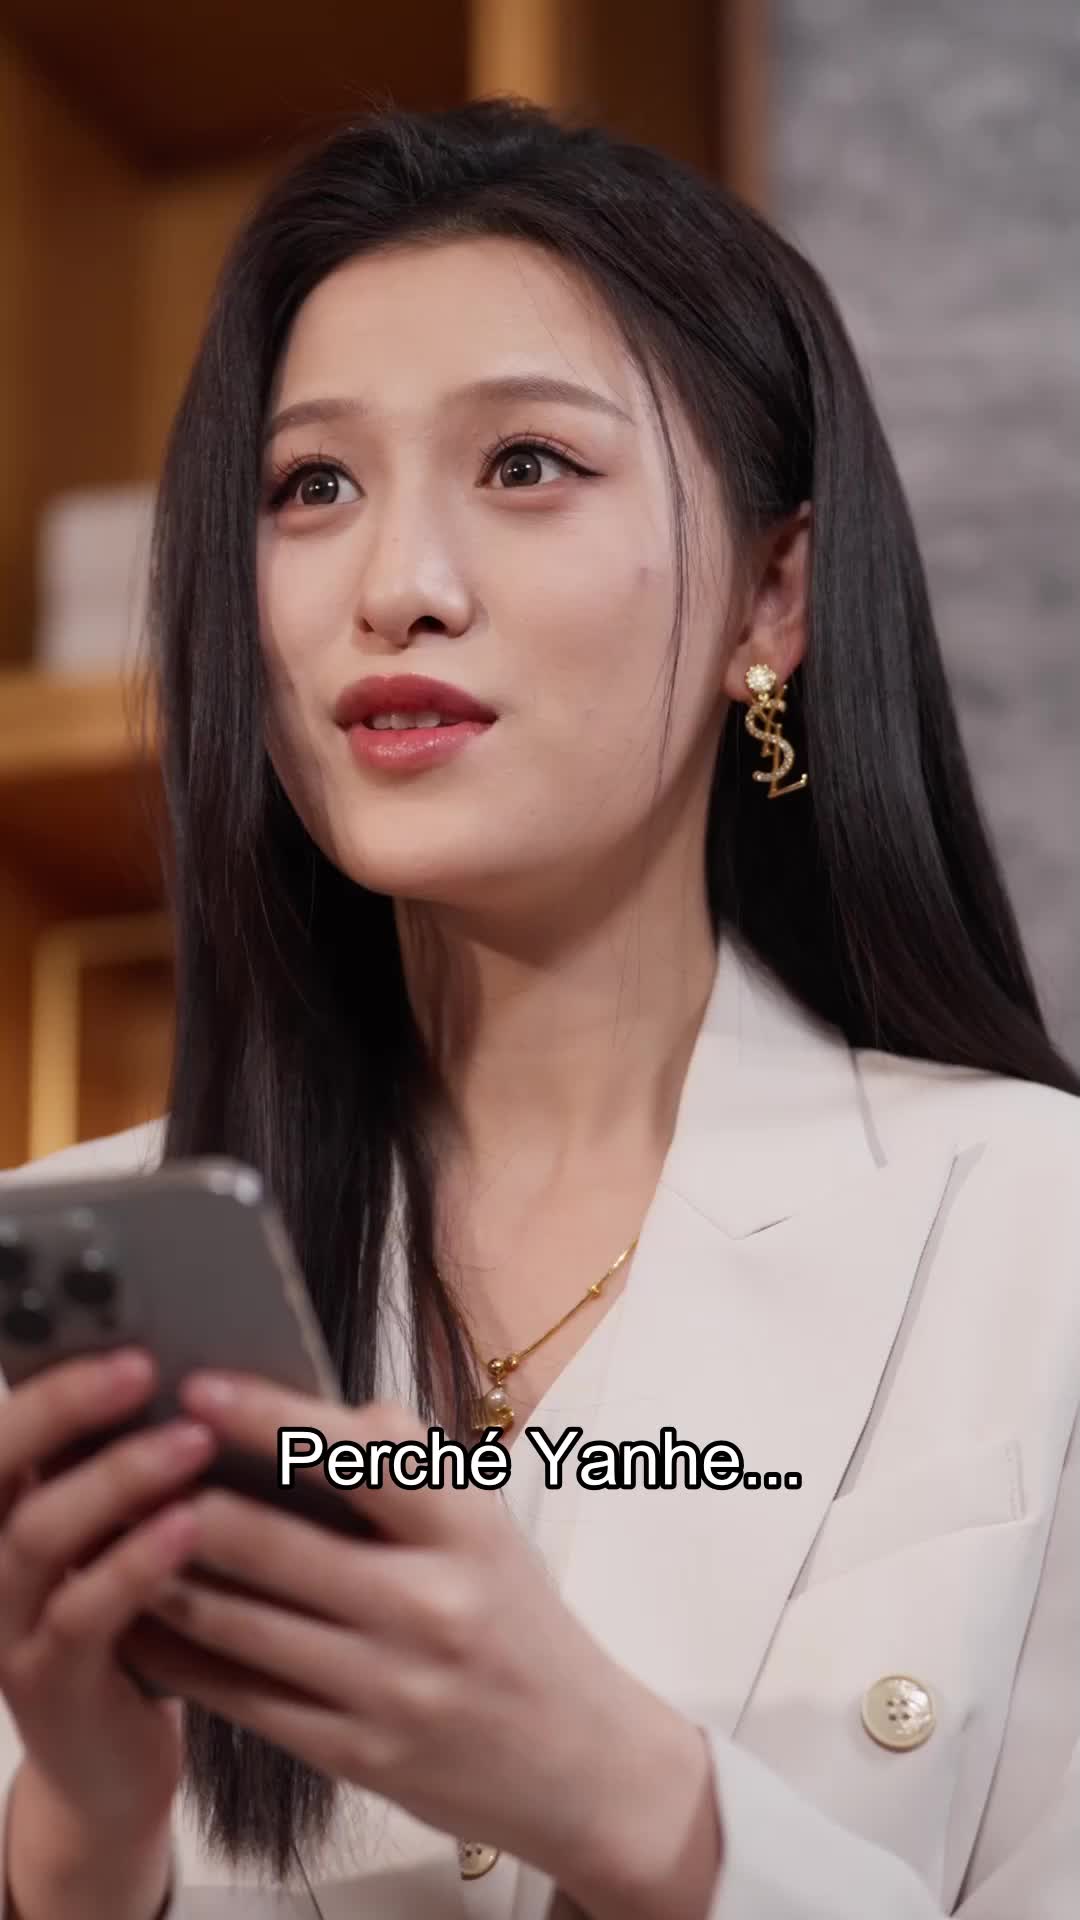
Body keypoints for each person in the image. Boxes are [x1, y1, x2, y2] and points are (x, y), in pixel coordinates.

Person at [0, 94, 1077, 1920]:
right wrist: (81, 1842)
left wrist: (631, 1801)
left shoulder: (1039, 1233)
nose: (397, 589)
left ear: (772, 592)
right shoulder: (60, 1292)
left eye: (525, 464)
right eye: (311, 487)